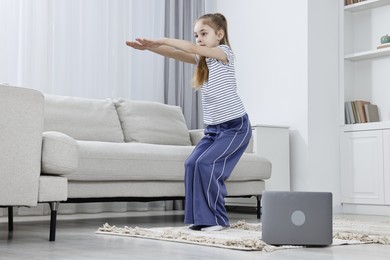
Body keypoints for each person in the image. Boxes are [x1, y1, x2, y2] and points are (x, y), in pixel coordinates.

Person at [126, 13, 252, 231]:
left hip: (235, 127)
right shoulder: (202, 60)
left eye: (204, 33)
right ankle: (201, 218)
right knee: (191, 163)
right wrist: (149, 47)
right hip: (213, 130)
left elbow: (190, 48)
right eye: (196, 35)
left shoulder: (224, 53)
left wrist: (162, 39)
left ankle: (218, 220)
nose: (199, 39)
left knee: (206, 164)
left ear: (219, 35)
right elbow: (175, 53)